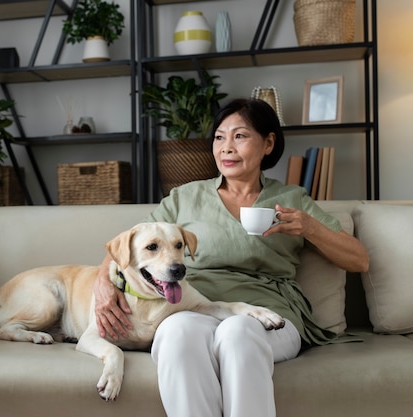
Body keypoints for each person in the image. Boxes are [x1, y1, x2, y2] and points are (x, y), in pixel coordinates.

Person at [93, 98, 369, 417]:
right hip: (197, 306)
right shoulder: (185, 197)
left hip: (269, 311)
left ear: (268, 143)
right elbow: (127, 244)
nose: (226, 147)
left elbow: (359, 261)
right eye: (219, 137)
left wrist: (310, 227)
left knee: (236, 330)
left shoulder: (292, 199)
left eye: (239, 136)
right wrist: (103, 284)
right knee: (176, 332)